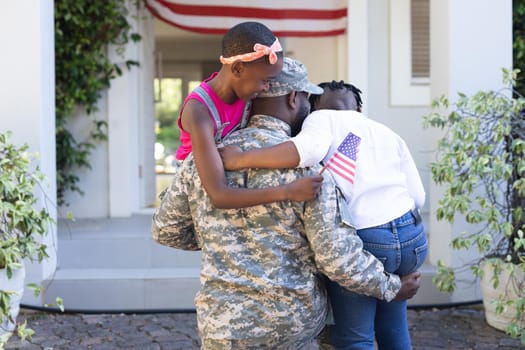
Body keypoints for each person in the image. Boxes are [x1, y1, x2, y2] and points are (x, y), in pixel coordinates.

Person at [152, 59, 421, 349]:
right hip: (294, 327)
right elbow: (338, 259)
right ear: (295, 98)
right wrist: (393, 287)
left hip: (223, 325)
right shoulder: (311, 170)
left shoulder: (205, 160)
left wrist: (220, 236)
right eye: (308, 98)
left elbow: (166, 230)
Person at [220, 80, 428, 349]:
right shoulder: (386, 132)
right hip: (412, 238)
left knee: (356, 336)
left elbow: (306, 152)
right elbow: (418, 196)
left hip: (368, 241)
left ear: (314, 105)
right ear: (359, 107)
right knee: (392, 326)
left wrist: (241, 160)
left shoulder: (319, 119)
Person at [174, 21, 322, 209]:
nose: (267, 88)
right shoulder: (199, 112)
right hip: (195, 193)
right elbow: (219, 195)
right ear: (237, 69)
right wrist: (288, 191)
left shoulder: (245, 92)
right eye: (265, 80)